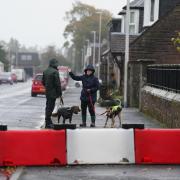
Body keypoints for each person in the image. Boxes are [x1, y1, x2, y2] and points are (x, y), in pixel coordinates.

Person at [42, 58, 62, 129]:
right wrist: (59, 93)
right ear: (54, 64)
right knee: (50, 107)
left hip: (47, 92)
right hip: (53, 93)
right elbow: (57, 84)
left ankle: (48, 121)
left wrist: (48, 87)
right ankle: (47, 122)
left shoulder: (45, 71)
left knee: (48, 106)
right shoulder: (55, 72)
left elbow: (43, 82)